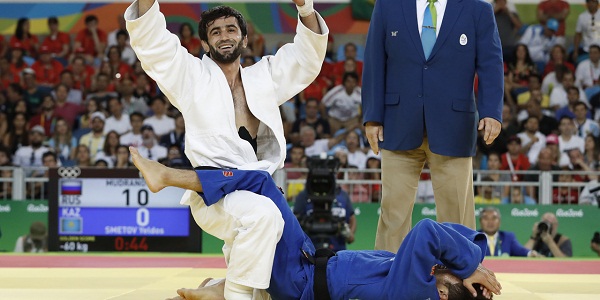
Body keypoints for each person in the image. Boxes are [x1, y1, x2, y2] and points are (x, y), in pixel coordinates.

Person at [125, 0, 328, 298]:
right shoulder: (190, 77)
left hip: (259, 190)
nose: (224, 36)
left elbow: (307, 59)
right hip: (214, 194)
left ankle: (213, 289)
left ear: (244, 39)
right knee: (263, 217)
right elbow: (153, 45)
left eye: (231, 29)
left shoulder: (264, 78)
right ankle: (226, 293)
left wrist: (305, 7)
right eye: (215, 32)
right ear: (205, 43)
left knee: (269, 287)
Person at [129, 148, 502, 300]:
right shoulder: (421, 283)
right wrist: (471, 265)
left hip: (300, 281)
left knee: (259, 183)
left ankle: (166, 176)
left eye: (449, 275)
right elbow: (458, 238)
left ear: (440, 294)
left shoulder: (411, 292)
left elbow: (427, 232)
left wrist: (471, 265)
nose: (445, 268)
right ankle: (215, 290)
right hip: (307, 261)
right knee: (261, 181)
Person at [361, 0, 504, 251]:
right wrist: (372, 116)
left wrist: (491, 112)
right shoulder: (388, 5)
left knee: (456, 214)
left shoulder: (478, 9)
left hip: (455, 125)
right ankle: (387, 280)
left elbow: (491, 63)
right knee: (392, 213)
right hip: (398, 122)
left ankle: (461, 281)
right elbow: (374, 61)